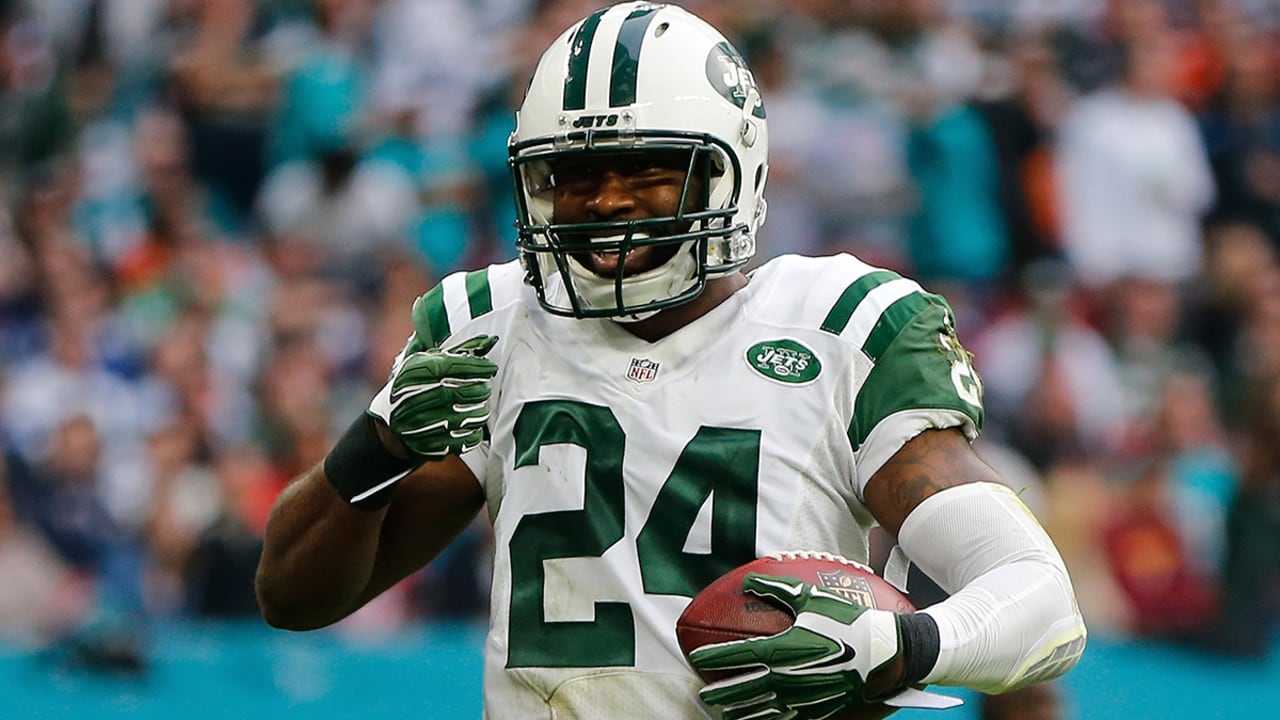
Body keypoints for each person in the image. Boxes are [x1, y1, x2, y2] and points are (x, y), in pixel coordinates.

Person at [255, 4, 1087, 718]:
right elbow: (293, 597)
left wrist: (901, 643)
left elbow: (1041, 602)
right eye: (573, 174)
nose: (607, 200)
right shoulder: (491, 325)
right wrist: (377, 446)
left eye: (649, 170)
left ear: (735, 168)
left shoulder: (841, 328)